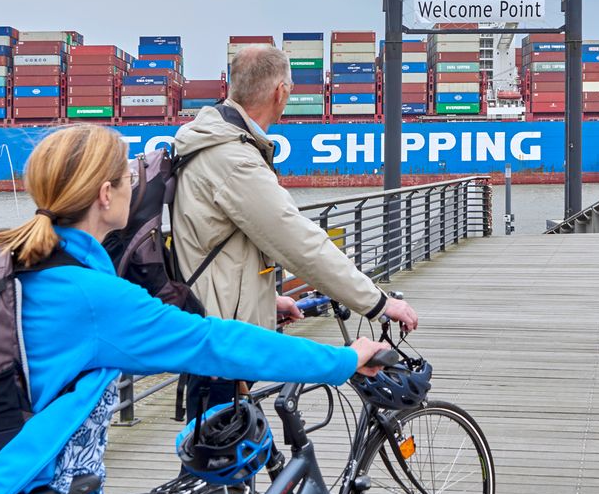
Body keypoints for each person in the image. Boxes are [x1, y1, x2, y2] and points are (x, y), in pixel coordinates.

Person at [0, 124, 392, 494]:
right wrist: (340, 361)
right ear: (105, 196)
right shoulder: (95, 298)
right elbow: (214, 342)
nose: (139, 189)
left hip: (5, 488)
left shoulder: (27, 264)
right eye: (129, 179)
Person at [171, 44, 419, 409]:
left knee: (233, 457)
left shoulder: (215, 144)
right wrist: (377, 302)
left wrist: (265, 300)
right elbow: (299, 243)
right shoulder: (233, 159)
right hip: (221, 349)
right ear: (280, 92)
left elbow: (217, 244)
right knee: (222, 461)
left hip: (217, 333)